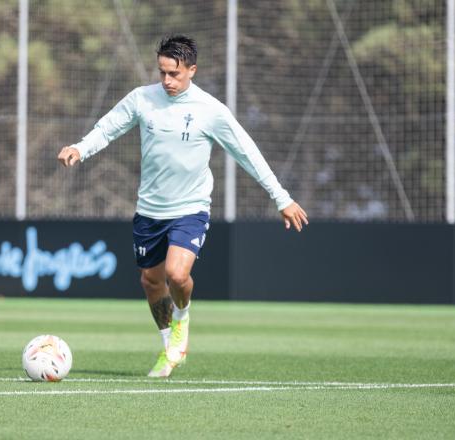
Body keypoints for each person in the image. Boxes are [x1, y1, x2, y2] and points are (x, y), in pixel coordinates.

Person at [57, 35, 308, 377]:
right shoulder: (142, 99)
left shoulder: (211, 111)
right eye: (162, 73)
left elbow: (247, 153)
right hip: (149, 210)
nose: (166, 81)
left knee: (177, 274)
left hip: (190, 208)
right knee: (150, 280)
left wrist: (282, 198)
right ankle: (169, 346)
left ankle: (182, 318)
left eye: (174, 74)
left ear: (192, 70)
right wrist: (80, 147)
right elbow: (108, 128)